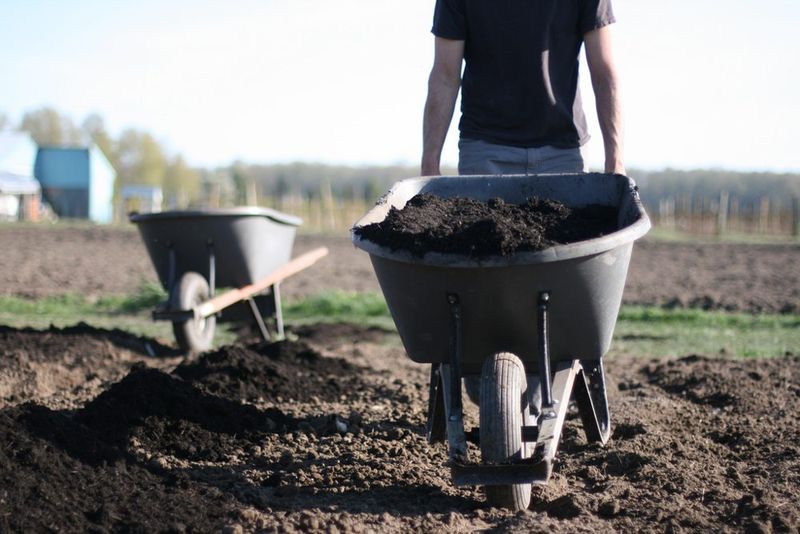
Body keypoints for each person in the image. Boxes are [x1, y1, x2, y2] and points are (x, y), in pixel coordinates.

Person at [421, 0, 624, 177]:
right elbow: (445, 76)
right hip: (486, 152)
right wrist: (430, 162)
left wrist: (615, 159)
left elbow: (603, 74)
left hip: (564, 153)